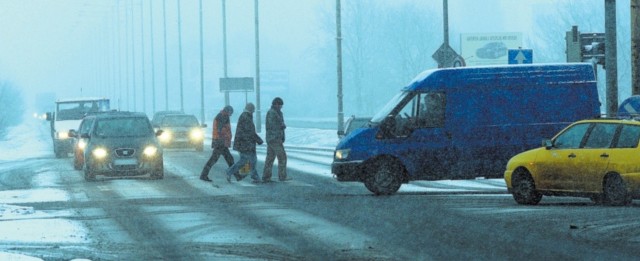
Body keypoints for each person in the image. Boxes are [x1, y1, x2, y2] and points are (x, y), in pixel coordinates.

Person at [226, 103, 263, 183]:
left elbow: (248, 131)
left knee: (246, 161)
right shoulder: (246, 117)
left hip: (244, 143)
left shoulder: (245, 116)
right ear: (250, 109)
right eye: (253, 110)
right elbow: (250, 132)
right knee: (249, 160)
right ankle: (252, 176)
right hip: (246, 144)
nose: (253, 111)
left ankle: (243, 174)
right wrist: (258, 139)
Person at [200, 105, 239, 182]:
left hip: (220, 142)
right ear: (227, 111)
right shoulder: (221, 117)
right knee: (215, 160)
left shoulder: (223, 116)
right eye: (230, 113)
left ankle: (237, 175)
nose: (231, 115)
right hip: (220, 142)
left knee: (228, 159)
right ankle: (203, 175)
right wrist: (226, 137)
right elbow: (220, 130)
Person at [262, 97, 288, 182]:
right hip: (274, 138)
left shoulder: (277, 112)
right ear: (276, 104)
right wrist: (281, 126)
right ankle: (282, 176)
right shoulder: (272, 113)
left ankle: (266, 176)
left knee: (270, 158)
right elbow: (271, 126)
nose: (281, 107)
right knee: (282, 157)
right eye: (280, 105)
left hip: (273, 138)